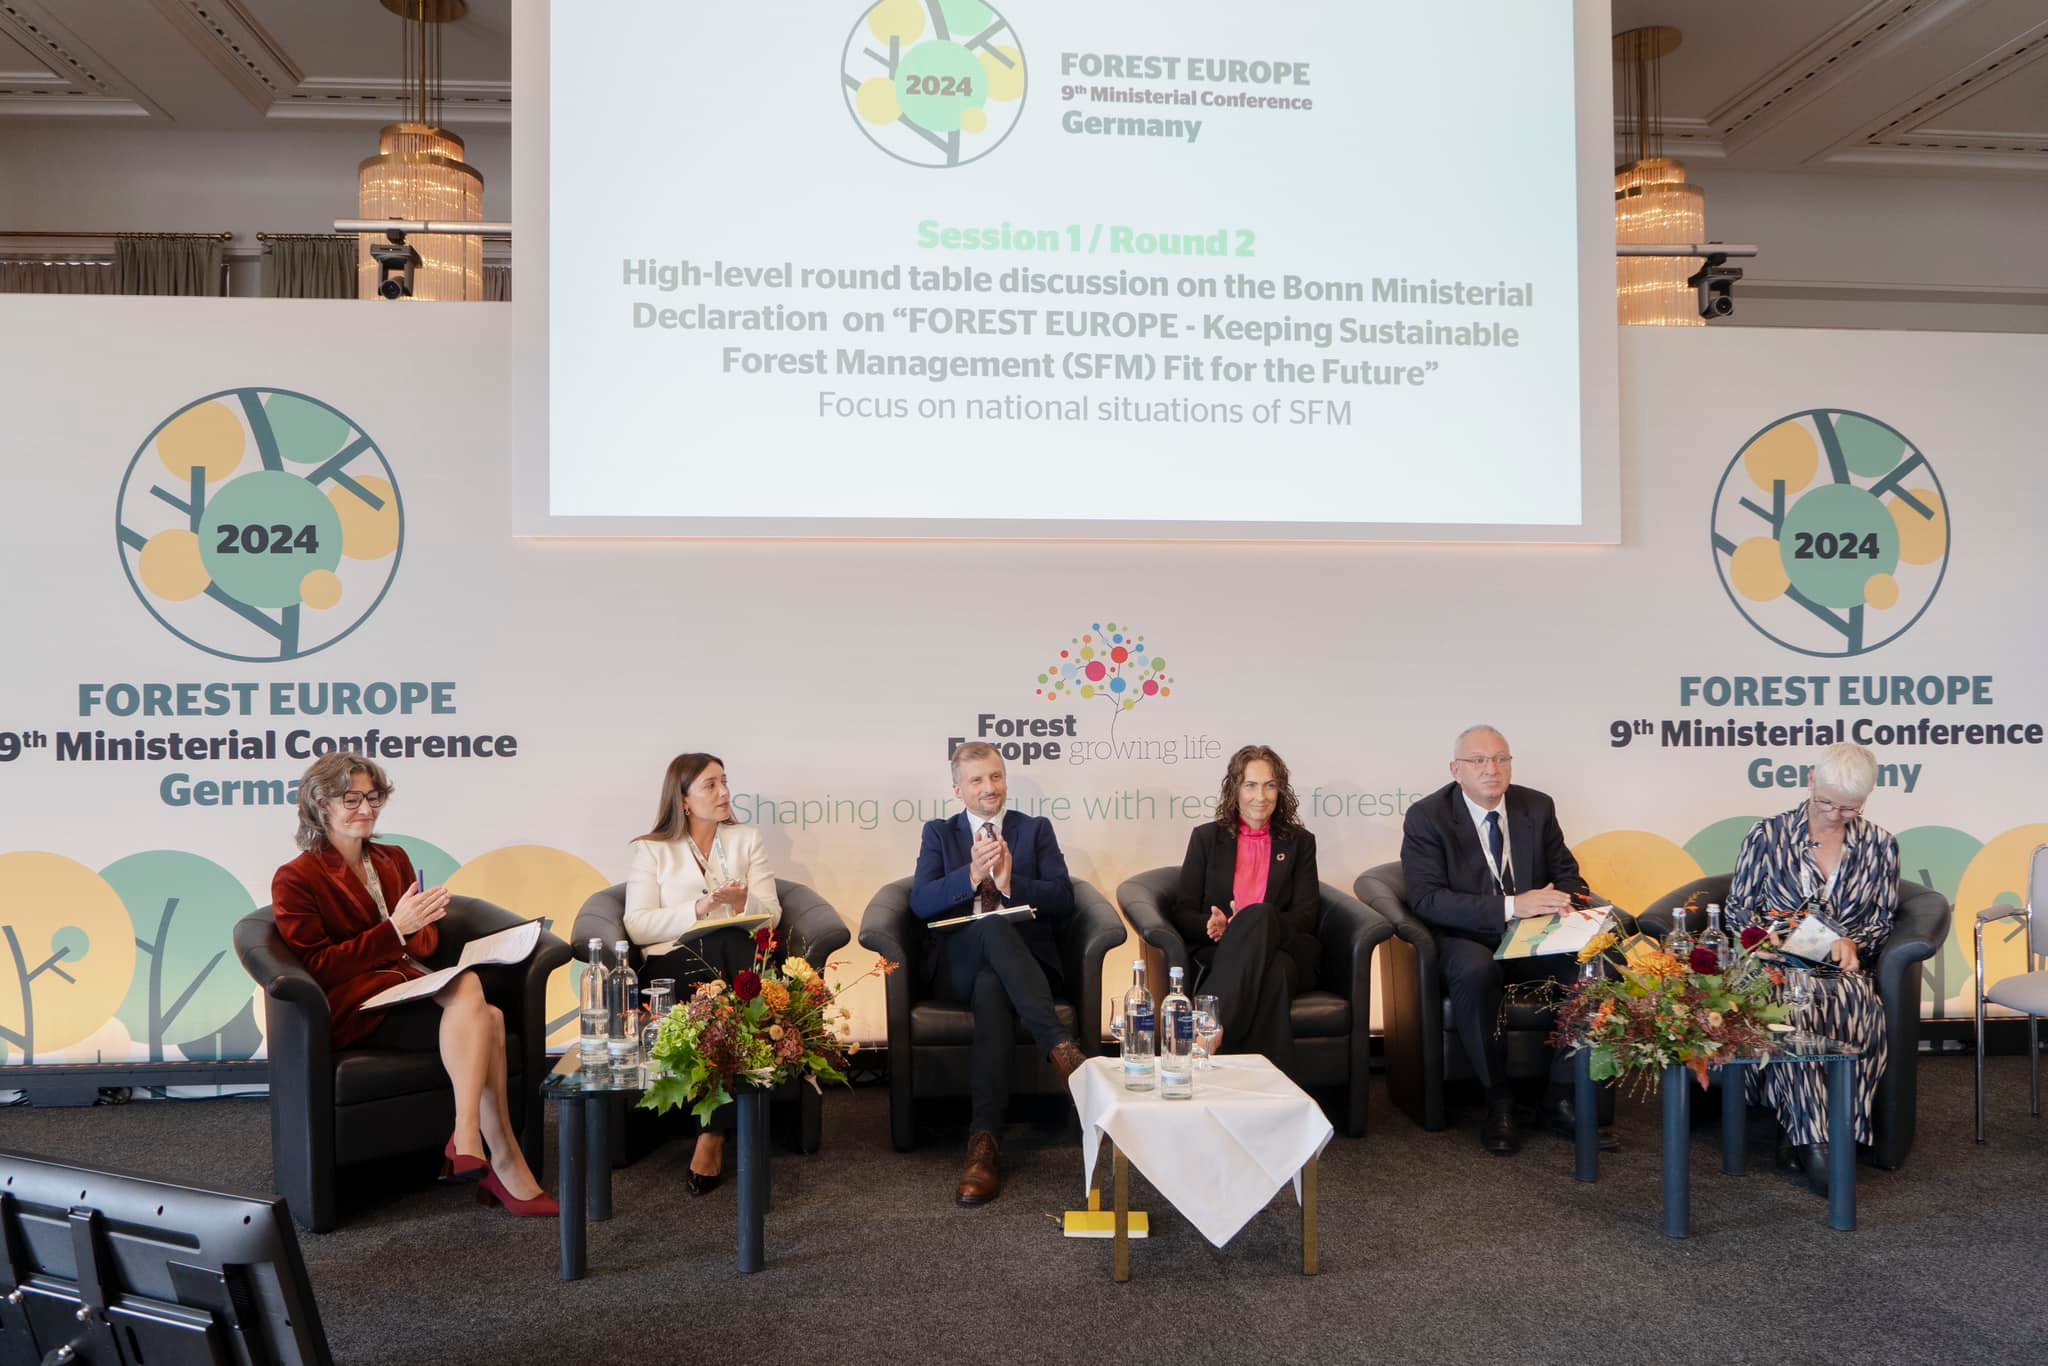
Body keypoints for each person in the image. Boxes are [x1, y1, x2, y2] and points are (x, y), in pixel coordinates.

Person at [271, 753, 556, 1217]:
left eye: (373, 797)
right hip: (357, 1007)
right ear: (320, 805)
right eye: (352, 799)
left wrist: (420, 924)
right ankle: (492, 1155)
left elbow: (422, 947)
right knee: (483, 1012)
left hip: (407, 986)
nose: (366, 809)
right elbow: (318, 966)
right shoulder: (295, 878)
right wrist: (394, 930)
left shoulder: (393, 858)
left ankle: (476, 1145)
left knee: (484, 1006)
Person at [1400, 724, 1615, 1156]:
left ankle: (1560, 1097)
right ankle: (1498, 1101)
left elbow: (1569, 875)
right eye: (1479, 761)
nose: (1492, 769)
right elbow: (1428, 899)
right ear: (1456, 769)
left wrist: (1564, 904)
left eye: (1501, 759)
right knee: (1475, 972)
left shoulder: (1536, 806)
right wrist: (1513, 905)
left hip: (1533, 935)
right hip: (1467, 936)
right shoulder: (1428, 816)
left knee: (1594, 971)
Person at [911, 741, 1087, 1206]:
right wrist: (971, 876)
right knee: (988, 927)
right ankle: (1060, 1048)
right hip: (958, 963)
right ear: (958, 789)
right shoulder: (939, 833)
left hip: (1024, 962)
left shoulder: (1035, 829)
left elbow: (1064, 898)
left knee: (993, 985)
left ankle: (983, 1146)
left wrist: (1011, 884)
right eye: (977, 780)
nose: (989, 787)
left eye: (996, 776)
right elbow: (921, 903)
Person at [1725, 742, 1897, 1197]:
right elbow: (1738, 913)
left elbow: (1881, 922)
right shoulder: (1768, 835)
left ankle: (1836, 1134)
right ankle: (1816, 1143)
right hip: (1776, 966)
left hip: (1842, 971)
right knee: (1793, 1009)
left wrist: (1852, 943)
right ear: (1810, 782)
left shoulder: (1880, 845)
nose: (1836, 815)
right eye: (1826, 803)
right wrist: (1785, 937)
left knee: (1859, 1007)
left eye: (1849, 808)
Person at [624, 752, 781, 1196]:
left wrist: (741, 903)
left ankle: (712, 1130)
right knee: (724, 956)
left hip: (734, 961)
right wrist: (700, 907)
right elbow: (638, 926)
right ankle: (717, 1130)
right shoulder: (651, 849)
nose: (724, 792)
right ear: (684, 800)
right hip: (675, 963)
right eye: (711, 785)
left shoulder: (746, 840)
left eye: (724, 781)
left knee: (730, 943)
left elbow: (771, 917)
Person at [1171, 744, 1320, 1070]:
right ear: (1235, 789)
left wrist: (1249, 923)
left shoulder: (1300, 842)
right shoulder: (1206, 839)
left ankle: (1207, 1027)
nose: (1261, 796)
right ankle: (1271, 1083)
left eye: (1270, 785)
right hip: (1224, 952)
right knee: (1275, 974)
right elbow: (1183, 911)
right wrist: (1211, 925)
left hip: (1287, 946)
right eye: (1250, 785)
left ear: (1280, 790)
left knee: (1261, 914)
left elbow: (1306, 916)